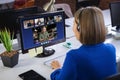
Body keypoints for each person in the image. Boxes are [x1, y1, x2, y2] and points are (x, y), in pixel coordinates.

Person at [50, 7, 117, 80]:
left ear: (79, 28)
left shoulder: (74, 56)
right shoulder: (111, 49)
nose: (73, 28)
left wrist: (57, 69)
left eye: (74, 23)